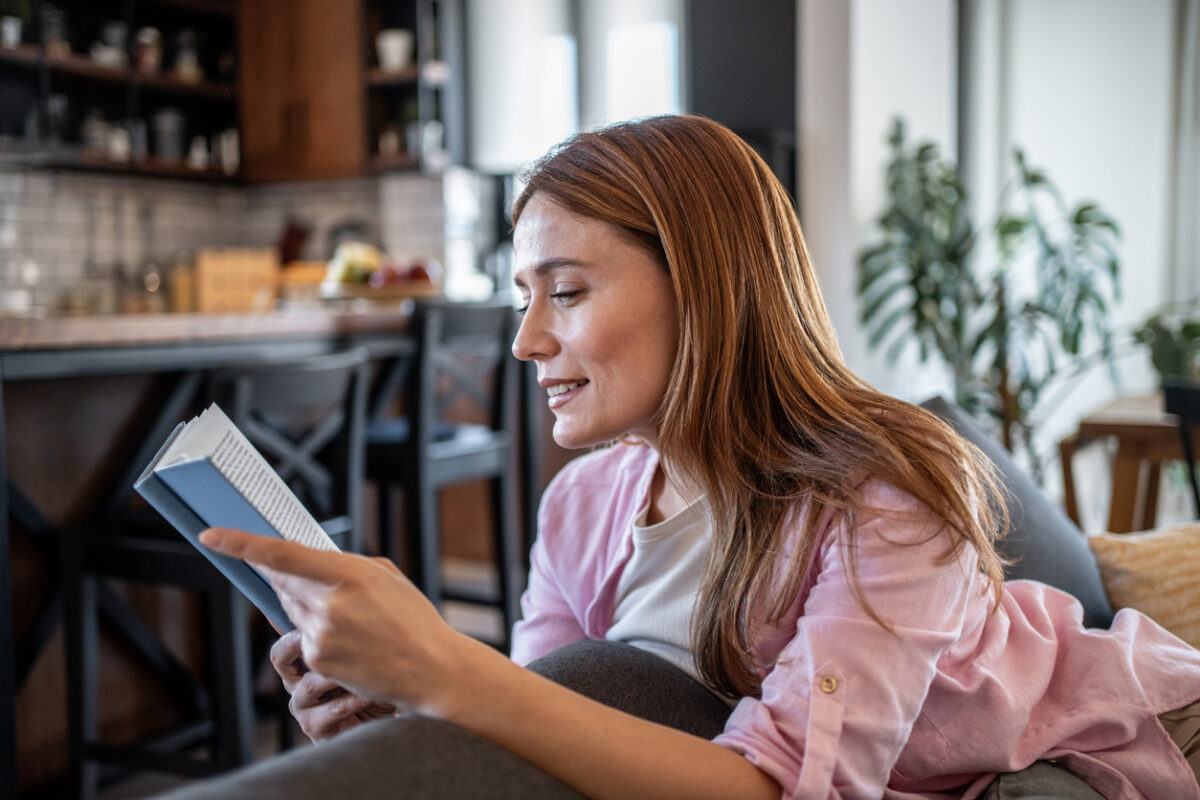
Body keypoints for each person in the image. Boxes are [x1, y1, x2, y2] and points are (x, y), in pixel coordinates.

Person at [172, 115, 1200, 800]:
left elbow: (793, 787)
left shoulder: (881, 493)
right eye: (521, 294)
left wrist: (451, 673)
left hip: (1055, 743)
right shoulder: (582, 505)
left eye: (565, 292)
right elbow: (557, 721)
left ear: (705, 287)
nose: (527, 340)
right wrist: (403, 704)